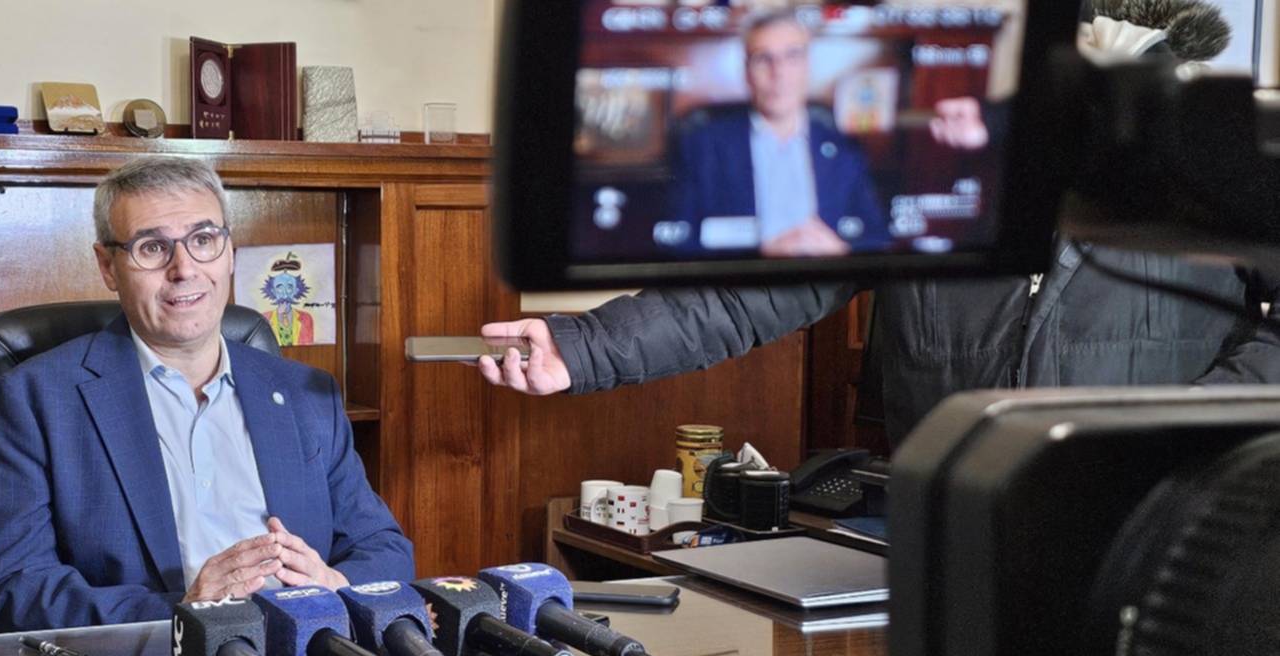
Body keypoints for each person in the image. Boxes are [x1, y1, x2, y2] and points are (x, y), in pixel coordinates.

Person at [480, 9, 1280, 448]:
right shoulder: (920, 166)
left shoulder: (1203, 158)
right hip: (946, 535)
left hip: (1143, 538)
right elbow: (744, 296)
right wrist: (583, 347)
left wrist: (1192, 429)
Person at [0, 156, 413, 633]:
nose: (183, 269)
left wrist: (333, 585)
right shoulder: (36, 400)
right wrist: (186, 610)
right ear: (108, 266)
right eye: (152, 247)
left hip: (306, 655)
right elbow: (8, 591)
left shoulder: (306, 394)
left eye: (203, 240)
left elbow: (385, 549)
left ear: (229, 253)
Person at [669, 8, 888, 256]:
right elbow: (679, 242)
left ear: (807, 66)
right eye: (764, 59)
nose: (779, 73)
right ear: (746, 71)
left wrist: (841, 252)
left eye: (792, 56)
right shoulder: (703, 147)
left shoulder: (843, 146)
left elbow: (876, 239)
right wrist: (760, 255)